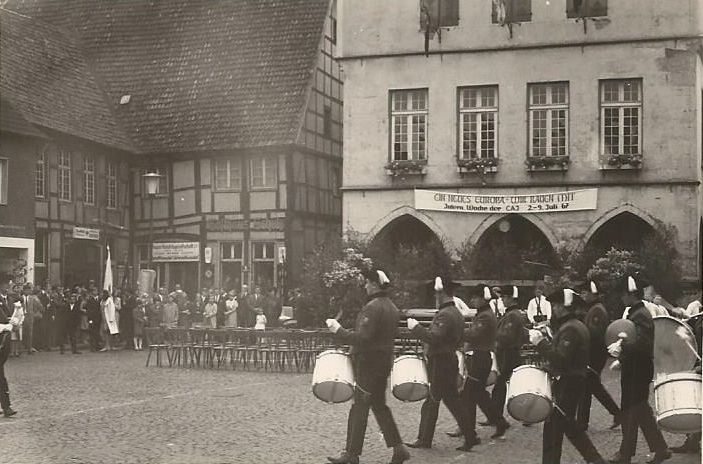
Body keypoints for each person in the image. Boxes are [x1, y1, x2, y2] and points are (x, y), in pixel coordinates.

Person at [325, 268, 409, 464]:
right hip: (383, 363)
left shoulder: (373, 307)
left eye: (366, 282)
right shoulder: (391, 306)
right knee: (380, 406)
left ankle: (352, 454)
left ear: (373, 284)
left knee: (359, 407)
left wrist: (339, 331)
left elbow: (363, 338)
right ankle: (399, 448)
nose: (364, 286)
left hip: (369, 364)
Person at [528, 288, 608, 464]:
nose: (554, 309)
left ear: (565, 306)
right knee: (569, 425)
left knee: (554, 427)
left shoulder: (571, 328)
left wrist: (540, 343)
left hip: (569, 381)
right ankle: (595, 460)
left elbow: (562, 359)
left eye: (556, 305)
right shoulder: (574, 325)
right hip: (573, 379)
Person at [405, 275, 477, 452]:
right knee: (438, 399)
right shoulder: (455, 313)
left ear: (441, 292)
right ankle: (427, 438)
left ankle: (466, 435)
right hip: (446, 359)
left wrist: (416, 328)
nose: (435, 297)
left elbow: (434, 338)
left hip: (441, 361)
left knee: (444, 399)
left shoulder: (446, 314)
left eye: (437, 294)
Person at [607, 273, 671, 464]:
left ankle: (625, 455)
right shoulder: (636, 313)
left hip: (638, 371)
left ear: (630, 294)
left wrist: (622, 347)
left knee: (631, 412)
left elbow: (642, 343)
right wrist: (622, 357)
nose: (621, 297)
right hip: (635, 369)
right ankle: (660, 450)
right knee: (640, 412)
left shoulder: (640, 314)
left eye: (622, 293)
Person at [449, 283, 510, 442]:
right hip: (479, 357)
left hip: (480, 358)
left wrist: (455, 332)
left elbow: (474, 334)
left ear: (483, 298)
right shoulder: (483, 313)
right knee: (479, 394)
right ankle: (498, 421)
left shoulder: (485, 316)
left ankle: (469, 430)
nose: (472, 300)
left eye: (476, 297)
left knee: (468, 393)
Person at [577, 281, 620, 430]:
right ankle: (616, 413)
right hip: (594, 353)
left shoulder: (597, 310)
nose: (582, 296)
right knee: (592, 387)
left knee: (587, 388)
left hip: (595, 354)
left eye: (584, 293)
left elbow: (595, 333)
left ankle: (582, 423)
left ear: (592, 293)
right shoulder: (593, 309)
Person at [488, 284, 529, 423]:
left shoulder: (512, 315)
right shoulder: (514, 313)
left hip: (508, 353)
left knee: (500, 386)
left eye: (504, 297)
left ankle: (495, 416)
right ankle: (525, 414)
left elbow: (507, 337)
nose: (502, 299)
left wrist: (493, 333)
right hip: (512, 352)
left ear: (512, 298)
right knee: (512, 385)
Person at [0, 283, 18, 417]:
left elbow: (6, 317)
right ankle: (6, 407)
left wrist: (12, 322)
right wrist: (6, 326)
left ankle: (6, 406)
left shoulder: (5, 302)